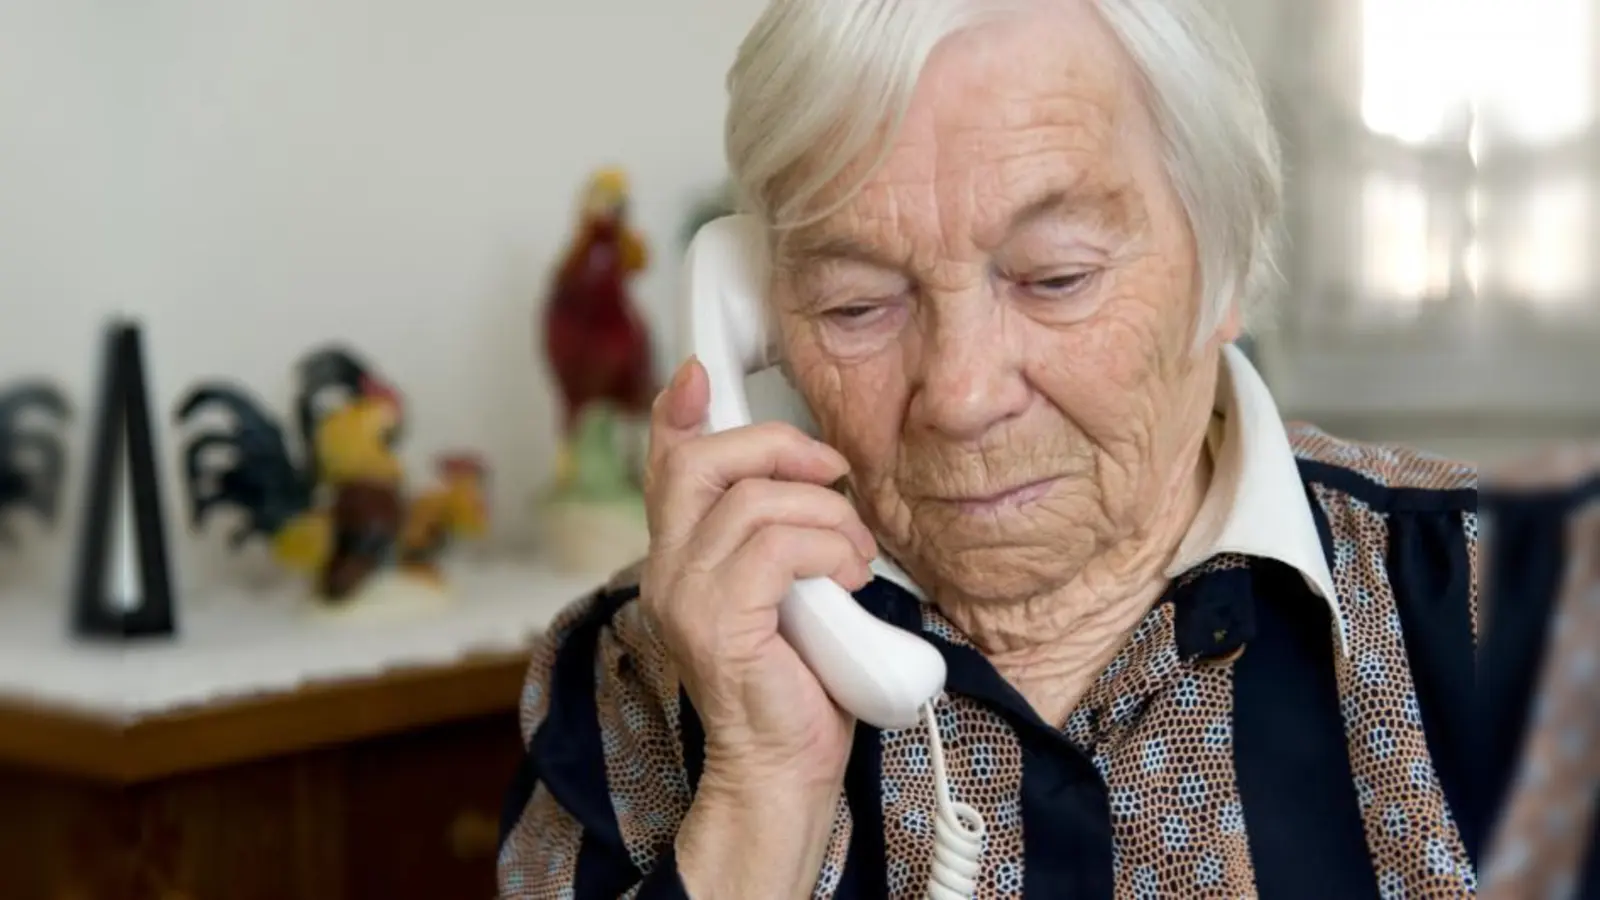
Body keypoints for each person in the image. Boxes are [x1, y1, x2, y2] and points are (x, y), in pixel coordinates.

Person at [498, 1, 1480, 896]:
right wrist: (759, 799)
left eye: (1055, 278)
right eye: (856, 305)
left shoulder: (1507, 595)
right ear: (765, 320)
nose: (961, 398)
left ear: (1222, 266)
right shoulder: (631, 672)